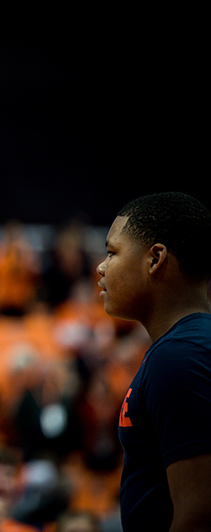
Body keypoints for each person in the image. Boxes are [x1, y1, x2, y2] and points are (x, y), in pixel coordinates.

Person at [96, 192, 211, 531]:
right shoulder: (185, 347)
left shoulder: (181, 356)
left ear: (155, 258)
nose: (101, 267)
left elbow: (199, 515)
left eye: (112, 252)